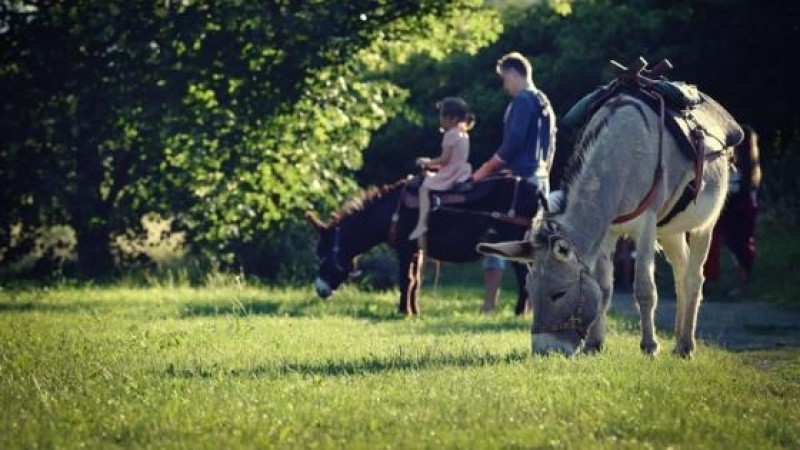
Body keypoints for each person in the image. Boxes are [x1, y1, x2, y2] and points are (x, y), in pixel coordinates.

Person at [472, 52, 556, 313]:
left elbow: (513, 143)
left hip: (519, 181)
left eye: (504, 79)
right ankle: (530, 305)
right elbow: (552, 148)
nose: (504, 85)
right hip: (541, 181)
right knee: (534, 245)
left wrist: (483, 171)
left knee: (498, 235)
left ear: (513, 73)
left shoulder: (522, 101)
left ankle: (493, 305)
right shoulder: (545, 101)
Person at [704, 124, 762, 295]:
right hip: (730, 205)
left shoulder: (748, 164)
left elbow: (744, 189)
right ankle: (706, 281)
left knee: (739, 245)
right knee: (713, 242)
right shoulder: (738, 161)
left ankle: (741, 284)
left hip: (738, 206)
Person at [409, 97, 475, 241]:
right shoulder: (463, 134)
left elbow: (444, 160)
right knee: (430, 178)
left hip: (451, 172)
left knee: (424, 189)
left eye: (442, 117)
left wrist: (426, 162)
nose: (440, 120)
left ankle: (422, 224)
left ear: (452, 118)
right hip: (461, 171)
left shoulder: (450, 135)